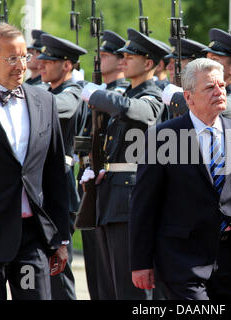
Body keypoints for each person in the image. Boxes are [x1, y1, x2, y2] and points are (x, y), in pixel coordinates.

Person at [129, 57, 231, 300]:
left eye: (222, 86)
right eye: (210, 88)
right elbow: (144, 203)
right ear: (188, 97)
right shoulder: (164, 137)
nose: (219, 92)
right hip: (180, 258)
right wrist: (141, 261)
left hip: (230, 257)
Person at [0, 23, 70, 300]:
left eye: (24, 57)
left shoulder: (44, 102)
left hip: (32, 238)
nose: (21, 65)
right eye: (11, 58)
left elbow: (55, 174)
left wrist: (60, 238)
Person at [80, 28, 166, 300]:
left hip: (130, 202)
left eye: (131, 56)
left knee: (132, 291)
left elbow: (138, 111)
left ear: (149, 63)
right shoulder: (127, 94)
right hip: (110, 199)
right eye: (123, 55)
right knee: (110, 289)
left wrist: (98, 96)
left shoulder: (152, 94)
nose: (124, 59)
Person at [78, 29, 129, 300]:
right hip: (101, 190)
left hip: (125, 195)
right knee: (102, 280)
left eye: (106, 54)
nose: (99, 58)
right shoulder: (106, 93)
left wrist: (96, 97)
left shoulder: (128, 96)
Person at [36, 33, 87, 300]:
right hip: (41, 187)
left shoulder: (73, 92)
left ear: (67, 65)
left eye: (49, 60)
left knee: (59, 270)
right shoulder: (45, 91)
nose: (40, 64)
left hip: (61, 189)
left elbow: (59, 107)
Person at [164, 28, 231, 133]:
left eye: (214, 60)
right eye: (207, 59)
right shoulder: (203, 91)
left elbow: (220, 109)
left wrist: (177, 97)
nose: (207, 64)